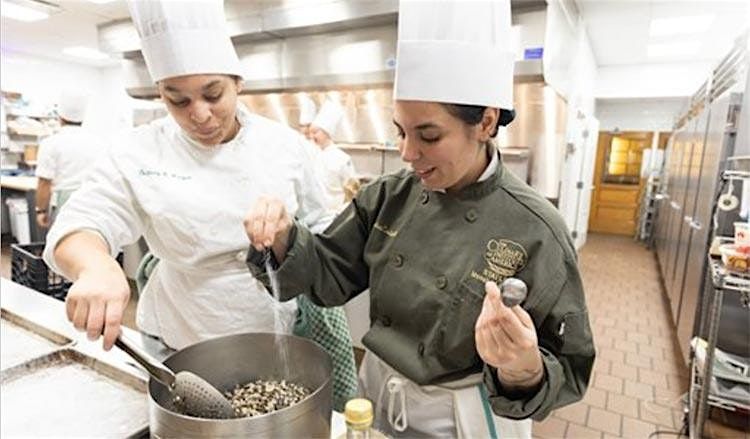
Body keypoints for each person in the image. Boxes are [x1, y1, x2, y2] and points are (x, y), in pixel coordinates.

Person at [244, 0, 594, 437]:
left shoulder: (536, 229)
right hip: (376, 392)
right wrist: (281, 238)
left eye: (428, 135)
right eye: (401, 131)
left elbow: (569, 362)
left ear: (485, 122)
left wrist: (522, 368)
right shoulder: (390, 196)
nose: (408, 153)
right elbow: (328, 270)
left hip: (468, 413)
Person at [35, 92, 102, 228]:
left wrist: (41, 210)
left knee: (62, 241)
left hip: (64, 202)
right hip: (94, 200)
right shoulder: (98, 142)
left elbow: (44, 182)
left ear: (60, 117)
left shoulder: (50, 143)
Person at [309, 99, 360, 212]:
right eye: (310, 133)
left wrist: (341, 214)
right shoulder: (312, 156)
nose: (311, 136)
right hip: (316, 215)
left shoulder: (342, 159)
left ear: (327, 132)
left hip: (336, 217)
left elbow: (352, 191)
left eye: (315, 132)